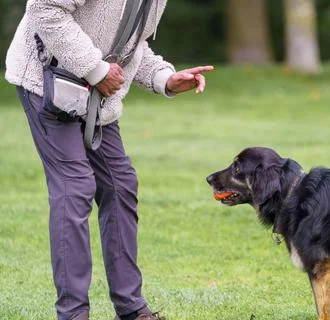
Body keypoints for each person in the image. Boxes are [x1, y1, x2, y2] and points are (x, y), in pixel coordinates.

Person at [5, 1, 214, 319]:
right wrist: (97, 69)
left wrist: (163, 79)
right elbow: (44, 10)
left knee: (120, 184)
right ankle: (73, 313)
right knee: (75, 186)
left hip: (93, 94)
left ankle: (131, 308)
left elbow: (131, 45)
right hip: (44, 81)